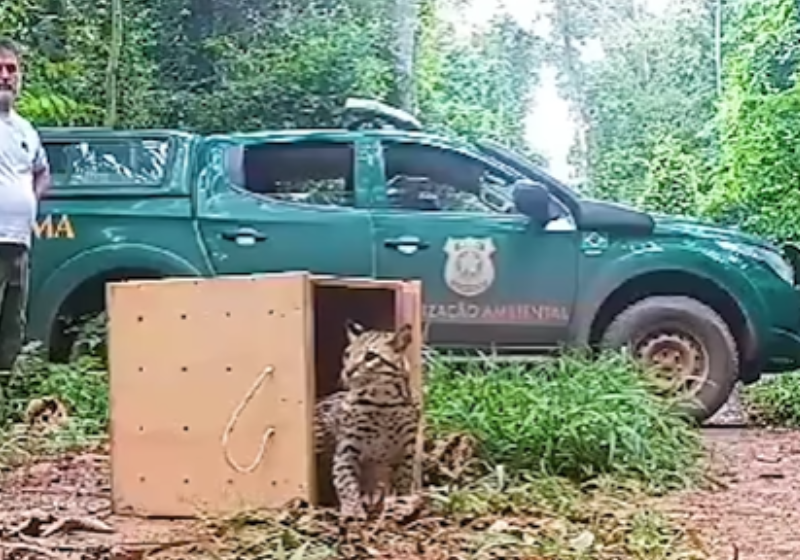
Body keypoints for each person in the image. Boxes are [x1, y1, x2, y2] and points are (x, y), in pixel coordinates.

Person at [0, 37, 51, 413]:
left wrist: (29, 202)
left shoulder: (25, 129)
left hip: (18, 242)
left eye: (11, 69)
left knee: (11, 326)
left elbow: (42, 171)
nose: (5, 76)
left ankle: (2, 404)